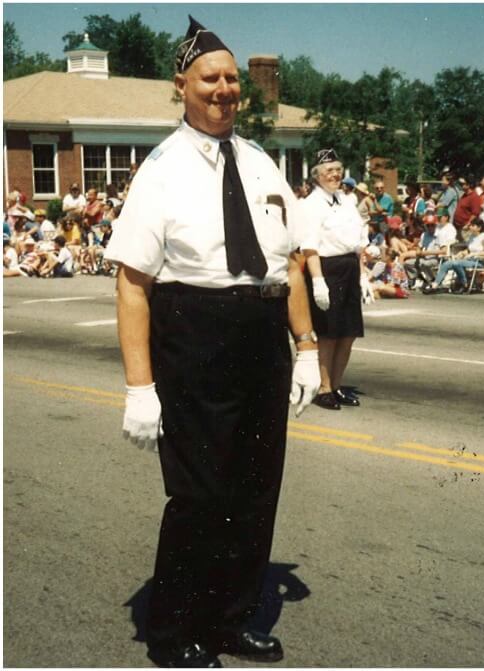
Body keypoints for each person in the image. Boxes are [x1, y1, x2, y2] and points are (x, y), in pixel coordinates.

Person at [102, 16, 320, 668]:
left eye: (231, 79)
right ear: (182, 85)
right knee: (201, 494)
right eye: (210, 79)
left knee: (256, 488)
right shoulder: (160, 171)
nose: (225, 89)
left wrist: (306, 346)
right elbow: (132, 284)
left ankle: (230, 618)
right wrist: (140, 387)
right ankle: (173, 629)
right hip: (194, 334)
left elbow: (289, 264)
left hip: (261, 334)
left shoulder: (260, 163)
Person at [299, 148, 368, 411]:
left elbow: (358, 242)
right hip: (327, 269)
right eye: (329, 171)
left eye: (338, 170)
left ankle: (337, 386)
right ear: (317, 176)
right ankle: (323, 388)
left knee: (348, 332)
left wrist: (364, 277)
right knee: (327, 334)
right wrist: (318, 282)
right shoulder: (310, 205)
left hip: (349, 267)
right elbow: (310, 247)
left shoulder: (347, 201)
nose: (335, 175)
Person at [422, 217, 484, 294]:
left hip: (479, 262)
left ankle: (464, 283)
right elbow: (468, 250)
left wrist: (474, 254)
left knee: (456, 263)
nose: (470, 227)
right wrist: (462, 253)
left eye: (472, 225)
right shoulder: (472, 237)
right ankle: (435, 285)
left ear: (479, 228)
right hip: (468, 260)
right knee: (446, 264)